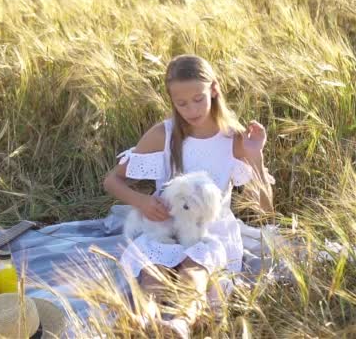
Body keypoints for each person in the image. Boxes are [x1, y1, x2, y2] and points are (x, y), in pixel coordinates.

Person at [103, 54, 274, 337]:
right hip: (166, 226)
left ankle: (179, 323)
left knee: (194, 270)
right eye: (181, 103)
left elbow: (265, 209)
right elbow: (113, 180)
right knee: (153, 272)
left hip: (211, 232)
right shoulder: (164, 134)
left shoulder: (234, 140)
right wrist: (142, 201)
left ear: (214, 90)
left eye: (198, 99)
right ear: (171, 101)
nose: (191, 109)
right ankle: (142, 322)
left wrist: (255, 155)